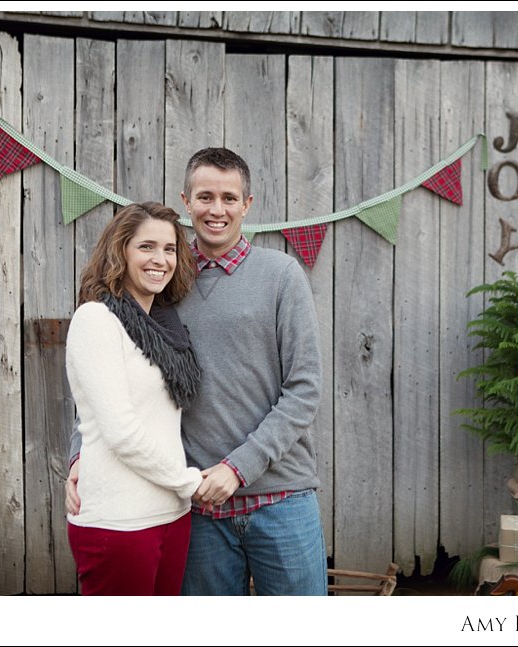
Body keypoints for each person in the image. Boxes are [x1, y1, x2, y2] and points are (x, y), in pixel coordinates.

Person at [67, 148, 326, 596]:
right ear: (186, 201)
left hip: (280, 499)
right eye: (205, 196)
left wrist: (238, 468)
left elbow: (303, 390)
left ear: (247, 204)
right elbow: (104, 385)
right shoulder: (163, 281)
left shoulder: (281, 275)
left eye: (229, 198)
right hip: (196, 508)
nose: (217, 209)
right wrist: (79, 458)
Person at [65, 202, 203, 596]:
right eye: (146, 247)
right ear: (120, 250)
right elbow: (119, 430)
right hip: (120, 523)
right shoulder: (96, 321)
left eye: (170, 249)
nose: (160, 259)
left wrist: (181, 494)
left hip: (173, 515)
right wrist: (188, 482)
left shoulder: (165, 325)